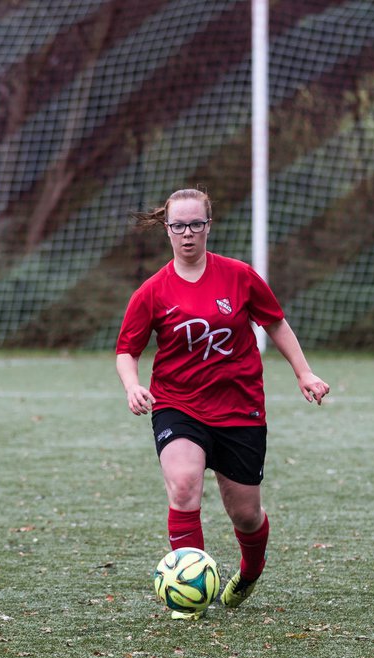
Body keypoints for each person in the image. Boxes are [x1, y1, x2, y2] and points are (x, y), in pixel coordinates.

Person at [115, 187, 329, 618]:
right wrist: (132, 385)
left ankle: (251, 569)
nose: (187, 233)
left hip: (239, 408)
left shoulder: (239, 276)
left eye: (196, 224)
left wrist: (304, 371)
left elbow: (276, 323)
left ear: (209, 226)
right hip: (179, 404)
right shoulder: (153, 291)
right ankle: (189, 596)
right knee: (184, 485)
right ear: (167, 229)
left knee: (246, 515)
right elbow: (127, 350)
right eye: (179, 226)